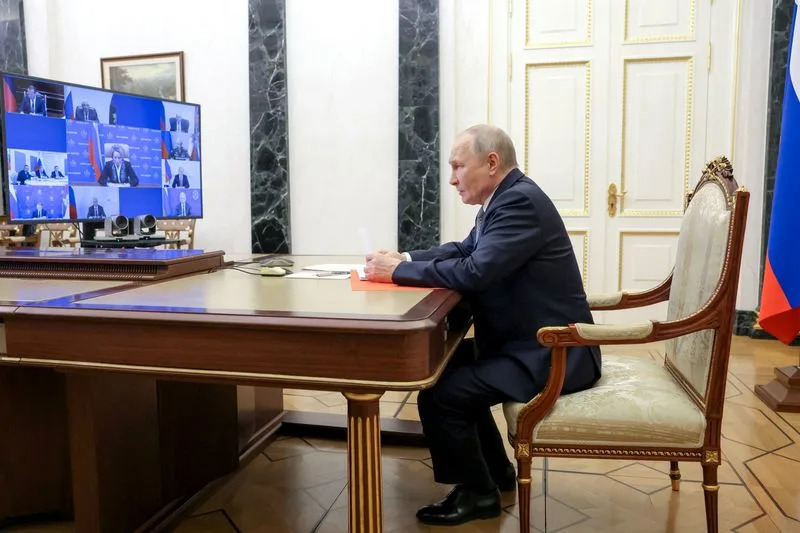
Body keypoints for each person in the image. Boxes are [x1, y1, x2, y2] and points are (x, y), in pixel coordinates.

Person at [364, 125, 601, 526]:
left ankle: (478, 494)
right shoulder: (506, 198)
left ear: (492, 163)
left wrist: (398, 272)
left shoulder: (519, 202)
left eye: (458, 166)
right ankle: (497, 473)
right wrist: (406, 258)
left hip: (552, 352)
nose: (452, 178)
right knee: (443, 371)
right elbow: (465, 249)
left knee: (443, 396)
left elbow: (476, 271)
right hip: (528, 342)